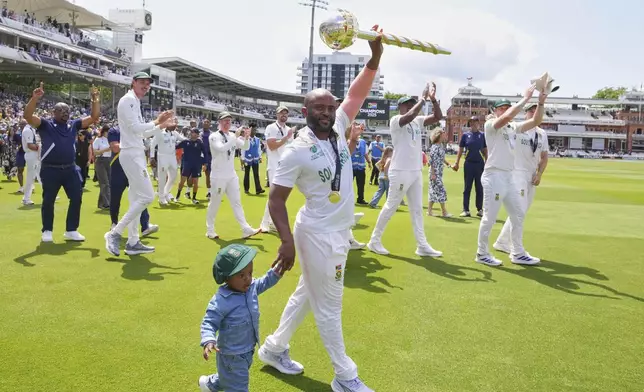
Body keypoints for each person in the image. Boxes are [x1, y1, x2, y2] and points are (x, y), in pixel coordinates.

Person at [257, 26, 384, 392]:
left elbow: (358, 91)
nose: (328, 112)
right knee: (330, 305)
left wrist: (374, 58)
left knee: (306, 295)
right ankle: (345, 376)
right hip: (318, 234)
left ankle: (273, 348)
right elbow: (276, 199)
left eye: (331, 106)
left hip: (338, 232)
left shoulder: (341, 125)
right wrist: (285, 242)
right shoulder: (296, 149)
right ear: (306, 111)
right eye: (320, 108)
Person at [367, 82, 443, 257]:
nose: (410, 105)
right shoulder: (396, 120)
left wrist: (432, 100)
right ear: (400, 106)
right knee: (391, 206)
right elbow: (409, 115)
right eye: (406, 103)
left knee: (417, 209)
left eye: (411, 102)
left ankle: (422, 245)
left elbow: (437, 116)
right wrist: (422, 99)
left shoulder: (417, 121)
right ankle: (374, 240)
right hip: (400, 171)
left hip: (415, 171)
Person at [104, 72, 175, 257]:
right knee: (148, 197)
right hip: (131, 154)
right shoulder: (128, 101)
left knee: (137, 199)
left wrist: (161, 125)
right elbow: (136, 128)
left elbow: (142, 134)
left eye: (148, 84)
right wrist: (157, 121)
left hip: (135, 153)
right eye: (142, 83)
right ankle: (115, 233)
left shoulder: (134, 101)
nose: (146, 86)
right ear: (133, 82)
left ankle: (133, 241)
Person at [475, 85, 546, 266]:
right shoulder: (491, 125)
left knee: (518, 215)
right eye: (501, 108)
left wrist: (540, 101)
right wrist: (525, 99)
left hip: (508, 177)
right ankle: (482, 253)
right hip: (494, 176)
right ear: (495, 111)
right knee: (489, 217)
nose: (505, 110)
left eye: (507, 107)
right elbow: (506, 118)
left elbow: (536, 121)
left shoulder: (512, 127)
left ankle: (517, 252)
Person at [198, 244, 283, 392]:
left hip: (247, 349)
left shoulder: (251, 288)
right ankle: (216, 383)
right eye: (241, 275)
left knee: (230, 377)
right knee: (238, 385)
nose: (248, 279)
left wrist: (277, 271)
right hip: (231, 355)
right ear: (227, 277)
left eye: (250, 273)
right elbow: (209, 322)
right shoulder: (221, 300)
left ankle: (210, 384)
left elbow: (265, 281)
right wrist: (208, 340)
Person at [23, 82, 100, 243]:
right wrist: (34, 99)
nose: (66, 113)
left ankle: (71, 230)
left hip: (70, 169)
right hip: (50, 169)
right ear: (54, 112)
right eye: (62, 110)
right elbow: (28, 117)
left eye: (68, 110)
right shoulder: (46, 125)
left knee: (76, 197)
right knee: (48, 200)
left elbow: (94, 117)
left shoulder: (73, 125)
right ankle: (47, 230)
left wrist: (94, 100)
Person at [493, 102, 549, 255]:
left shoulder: (542, 134)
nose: (533, 113)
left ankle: (502, 242)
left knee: (521, 211)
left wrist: (539, 173)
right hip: (516, 173)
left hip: (531, 175)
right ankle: (516, 249)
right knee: (518, 211)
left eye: (536, 111)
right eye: (531, 111)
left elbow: (544, 157)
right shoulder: (517, 128)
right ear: (526, 113)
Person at [206, 112, 260, 240]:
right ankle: (210, 229)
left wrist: (246, 137)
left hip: (231, 175)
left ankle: (245, 229)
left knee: (237, 202)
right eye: (225, 120)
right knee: (215, 203)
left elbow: (245, 147)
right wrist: (234, 138)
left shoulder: (231, 135)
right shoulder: (214, 136)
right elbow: (221, 149)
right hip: (218, 176)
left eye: (229, 121)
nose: (227, 123)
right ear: (219, 122)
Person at [107, 126, 158, 240]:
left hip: (133, 168)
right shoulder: (114, 130)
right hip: (118, 168)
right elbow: (115, 147)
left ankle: (145, 226)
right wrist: (133, 146)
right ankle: (114, 224)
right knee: (115, 198)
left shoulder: (134, 129)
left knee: (141, 197)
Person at [260, 106, 294, 232]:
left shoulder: (289, 129)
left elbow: (292, 148)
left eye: (286, 113)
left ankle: (272, 222)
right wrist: (286, 138)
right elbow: (272, 146)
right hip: (274, 165)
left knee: (280, 198)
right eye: (281, 113)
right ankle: (264, 223)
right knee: (273, 196)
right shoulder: (271, 127)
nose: (283, 115)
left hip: (286, 167)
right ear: (277, 114)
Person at [452, 116, 487, 217]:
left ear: (478, 123)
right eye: (471, 122)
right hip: (469, 164)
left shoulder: (482, 135)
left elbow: (485, 151)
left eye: (475, 122)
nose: (473, 124)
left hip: (480, 164)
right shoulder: (465, 135)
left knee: (479, 188)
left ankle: (480, 209)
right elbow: (460, 150)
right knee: (467, 187)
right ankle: (465, 209)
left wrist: (487, 162)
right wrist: (457, 163)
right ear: (470, 123)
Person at [150, 121, 184, 205]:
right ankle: (161, 198)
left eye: (175, 125)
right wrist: (152, 157)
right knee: (162, 177)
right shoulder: (160, 132)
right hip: (162, 156)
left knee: (173, 176)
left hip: (172, 157)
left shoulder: (175, 133)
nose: (175, 126)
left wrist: (192, 139)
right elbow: (152, 144)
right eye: (173, 125)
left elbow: (182, 139)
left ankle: (166, 193)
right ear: (168, 124)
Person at [175, 128, 208, 204]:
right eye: (191, 132)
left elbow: (205, 153)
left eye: (194, 132)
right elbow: (176, 147)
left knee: (196, 182)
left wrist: (205, 164)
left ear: (197, 134)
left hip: (197, 164)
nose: (192, 133)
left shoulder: (200, 143)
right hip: (187, 164)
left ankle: (194, 198)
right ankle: (177, 196)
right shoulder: (185, 142)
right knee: (182, 181)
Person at [427, 129, 453, 217]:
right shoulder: (434, 147)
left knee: (433, 191)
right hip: (435, 173)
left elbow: (441, 158)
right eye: (443, 134)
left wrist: (447, 163)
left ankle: (429, 211)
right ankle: (444, 212)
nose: (445, 135)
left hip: (438, 172)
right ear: (439, 135)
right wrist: (433, 173)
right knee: (441, 191)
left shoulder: (440, 146)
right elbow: (432, 161)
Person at [20, 121, 40, 206]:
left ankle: (49, 195)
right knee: (30, 177)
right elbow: (30, 145)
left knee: (41, 175)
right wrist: (40, 147)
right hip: (31, 153)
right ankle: (26, 198)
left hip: (35, 154)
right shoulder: (28, 130)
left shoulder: (32, 129)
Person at [242, 123, 265, 195]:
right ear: (249, 130)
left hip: (255, 158)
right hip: (247, 159)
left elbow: (258, 149)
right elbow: (243, 149)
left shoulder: (257, 139)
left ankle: (258, 189)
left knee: (256, 174)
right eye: (253, 130)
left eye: (255, 130)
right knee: (247, 174)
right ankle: (246, 189)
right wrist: (242, 158)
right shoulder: (246, 139)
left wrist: (260, 157)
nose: (254, 131)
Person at [92, 125, 112, 209]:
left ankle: (102, 203)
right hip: (100, 161)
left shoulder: (111, 140)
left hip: (109, 160)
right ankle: (107, 203)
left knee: (108, 183)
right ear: (104, 132)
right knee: (104, 183)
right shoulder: (98, 140)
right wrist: (105, 150)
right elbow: (95, 152)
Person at [350, 127, 370, 205]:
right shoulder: (349, 141)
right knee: (347, 185)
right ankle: (347, 199)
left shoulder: (363, 142)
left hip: (361, 168)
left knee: (361, 185)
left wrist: (369, 161)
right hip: (351, 167)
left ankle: (360, 199)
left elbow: (365, 153)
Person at [200, 119, 213, 199]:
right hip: (198, 156)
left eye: (208, 122)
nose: (206, 123)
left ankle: (209, 192)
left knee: (208, 174)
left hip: (209, 156)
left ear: (210, 124)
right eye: (204, 122)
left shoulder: (212, 134)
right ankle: (188, 191)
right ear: (202, 123)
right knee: (193, 175)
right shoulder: (199, 133)